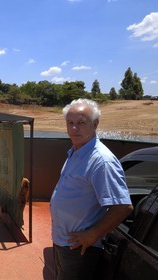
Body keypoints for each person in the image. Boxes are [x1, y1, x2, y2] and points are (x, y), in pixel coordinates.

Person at [50, 98, 133, 280]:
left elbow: (123, 206)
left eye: (81, 123)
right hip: (63, 241)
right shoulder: (76, 152)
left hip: (79, 248)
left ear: (95, 124)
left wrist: (92, 235)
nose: (74, 128)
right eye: (70, 123)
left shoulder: (101, 161)